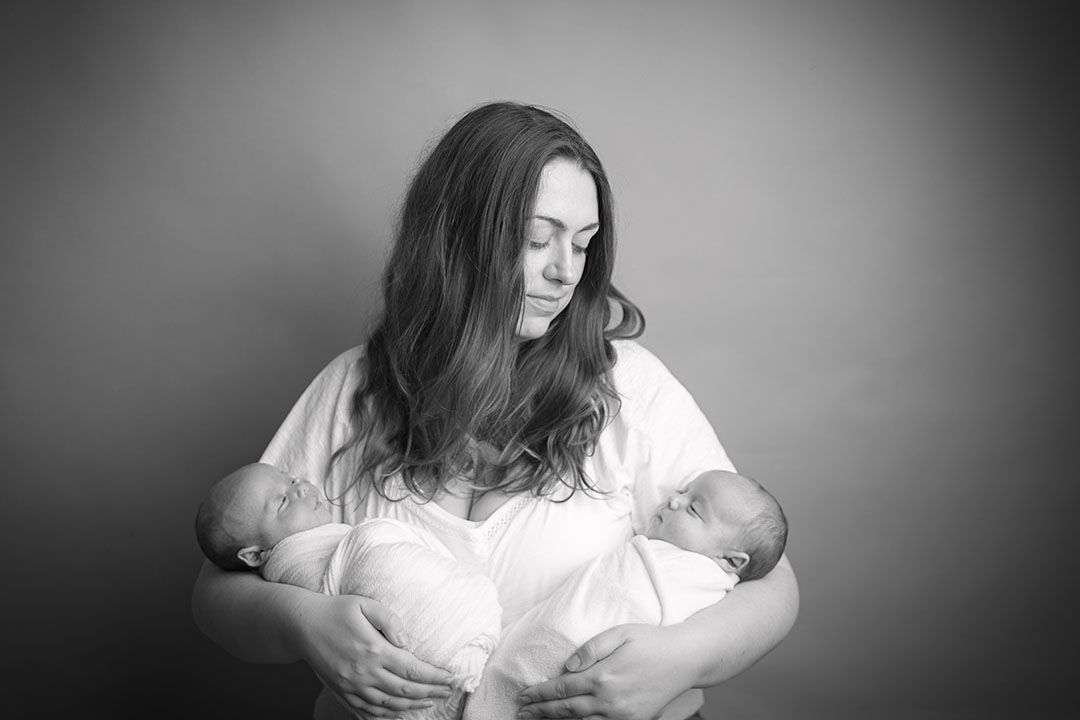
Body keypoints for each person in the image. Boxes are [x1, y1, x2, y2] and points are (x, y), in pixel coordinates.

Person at [192, 101, 799, 720]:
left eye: (583, 245)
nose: (565, 273)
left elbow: (770, 581)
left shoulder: (632, 389)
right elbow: (218, 586)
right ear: (456, 237)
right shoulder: (353, 389)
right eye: (538, 239)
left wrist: (680, 660)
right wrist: (304, 623)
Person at [464, 469, 788, 719]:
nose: (674, 498)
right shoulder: (668, 552)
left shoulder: (700, 581)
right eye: (684, 491)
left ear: (730, 560)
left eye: (693, 509)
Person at [194, 462, 501, 720]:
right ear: (255, 556)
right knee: (373, 551)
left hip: (498, 665)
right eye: (283, 501)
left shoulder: (310, 532)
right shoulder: (291, 563)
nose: (301, 488)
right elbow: (210, 596)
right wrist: (305, 617)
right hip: (435, 657)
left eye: (292, 479)